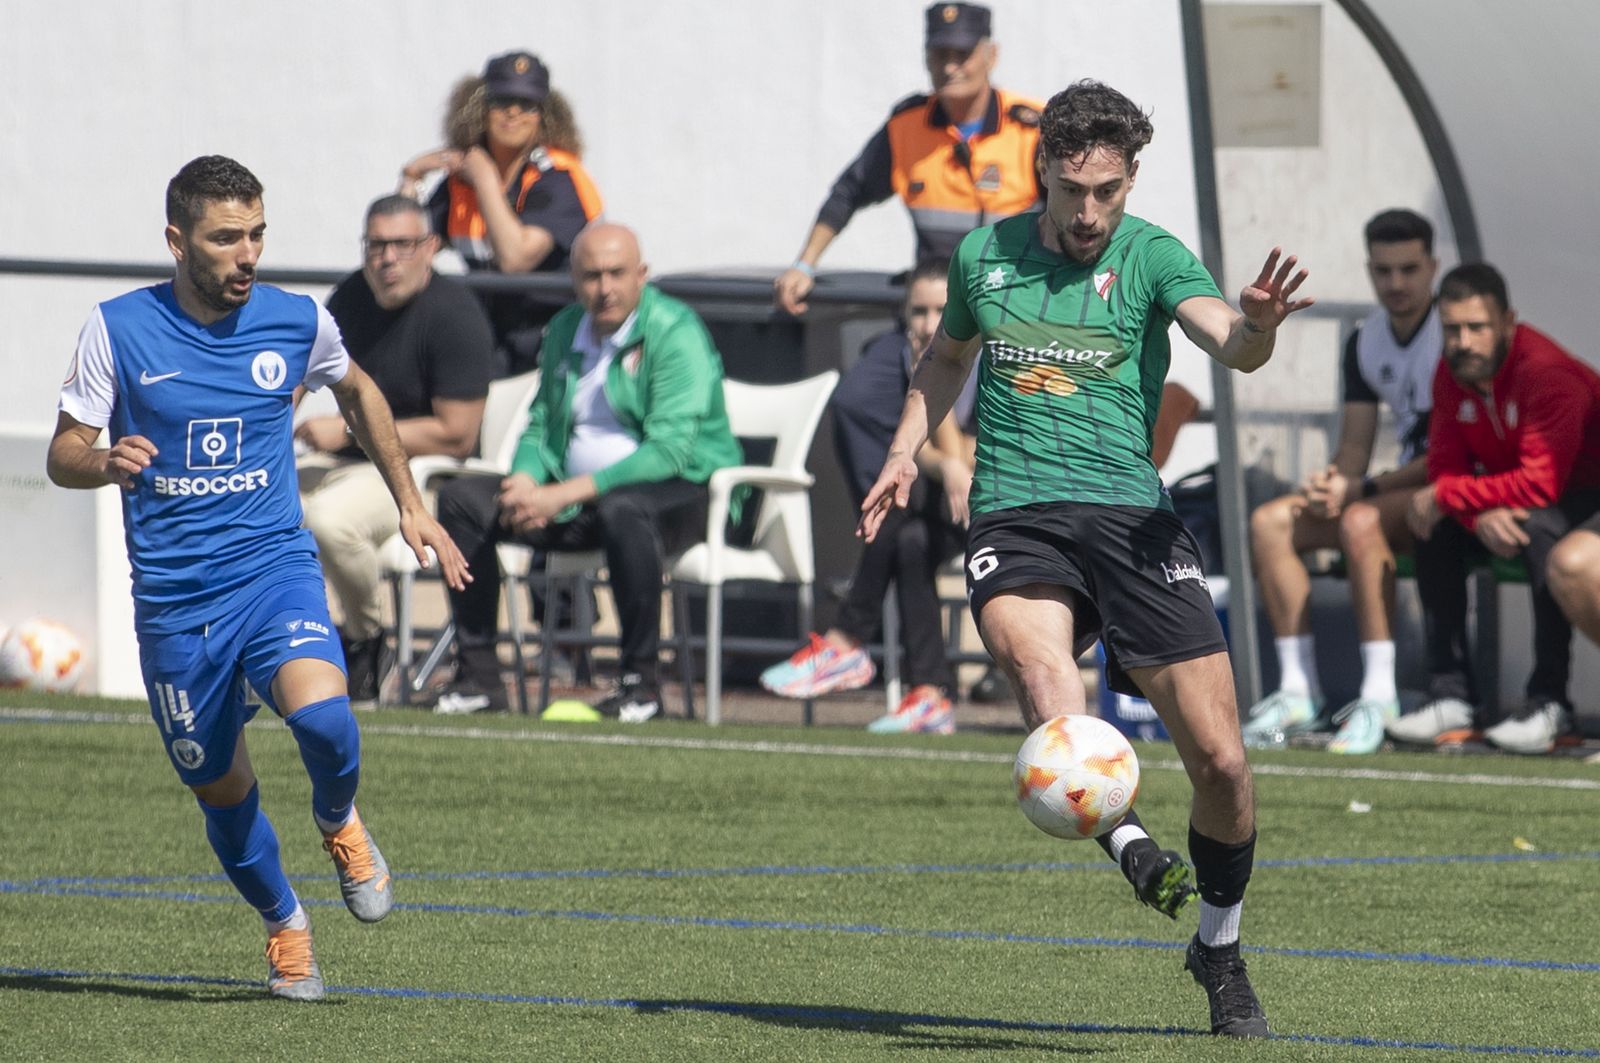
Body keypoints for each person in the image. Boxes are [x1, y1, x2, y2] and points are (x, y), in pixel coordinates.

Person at [859, 81, 1313, 1038]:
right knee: (1042, 673)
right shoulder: (985, 255)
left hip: (1132, 517)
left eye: (1108, 190)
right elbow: (947, 358)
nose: (1090, 211)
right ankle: (1132, 841)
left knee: (1225, 764)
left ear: (1129, 178)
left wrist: (1261, 322)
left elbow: (1230, 343)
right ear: (1046, 177)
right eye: (1075, 191)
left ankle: (1218, 948)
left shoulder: (1151, 253)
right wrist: (906, 448)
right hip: (1016, 511)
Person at [45, 156, 470, 1001]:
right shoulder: (116, 330)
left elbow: (360, 395)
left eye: (258, 234)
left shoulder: (295, 320)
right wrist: (103, 459)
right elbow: (61, 454)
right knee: (223, 789)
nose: (248, 254)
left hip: (271, 568)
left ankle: (338, 820)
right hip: (174, 602)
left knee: (327, 721)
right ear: (177, 240)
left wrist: (410, 502)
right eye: (227, 237)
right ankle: (286, 925)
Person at [431, 223, 742, 720]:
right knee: (462, 500)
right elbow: (538, 426)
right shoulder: (563, 330)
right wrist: (526, 481)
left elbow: (670, 452)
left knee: (625, 509)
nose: (605, 289)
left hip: (681, 494)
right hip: (574, 500)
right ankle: (480, 679)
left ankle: (640, 685)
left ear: (642, 275)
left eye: (617, 274)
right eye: (591, 276)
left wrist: (563, 494)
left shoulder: (675, 330)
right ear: (574, 279)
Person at [1241, 209, 1442, 754]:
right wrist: (1332, 481)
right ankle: (1297, 691)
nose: (1395, 284)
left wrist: (1359, 492)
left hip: (1448, 492)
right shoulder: (1365, 340)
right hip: (1393, 491)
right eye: (1383, 271)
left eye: (1408, 269)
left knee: (1358, 519)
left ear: (1433, 267)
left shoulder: (1455, 332)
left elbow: (1449, 456)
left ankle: (1380, 699)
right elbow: (1355, 444)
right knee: (1271, 522)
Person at [759, 258, 976, 732]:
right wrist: (944, 459)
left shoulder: (987, 357)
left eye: (941, 310)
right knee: (909, 538)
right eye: (918, 311)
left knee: (905, 514)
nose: (928, 323)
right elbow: (940, 457)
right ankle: (930, 695)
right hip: (931, 512)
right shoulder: (904, 357)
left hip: (991, 507)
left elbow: (971, 459)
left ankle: (846, 640)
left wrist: (949, 457)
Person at [1392, 262, 1600, 754]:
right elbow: (1445, 469)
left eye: (1477, 328)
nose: (1463, 341)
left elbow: (1541, 482)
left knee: (1535, 530)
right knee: (1431, 527)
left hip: (1585, 493)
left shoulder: (1546, 373)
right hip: (1515, 495)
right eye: (1451, 329)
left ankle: (1550, 702)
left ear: (1508, 322)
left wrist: (1450, 498)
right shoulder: (1451, 371)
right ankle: (1452, 696)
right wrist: (1471, 512)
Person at [297, 194, 496, 706]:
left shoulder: (455, 314)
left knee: (328, 520)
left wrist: (345, 432)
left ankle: (366, 641)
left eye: (402, 245)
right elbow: (301, 372)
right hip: (343, 463)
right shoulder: (350, 297)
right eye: (376, 245)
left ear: (430, 247)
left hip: (420, 476)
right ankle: (267, 651)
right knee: (248, 502)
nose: (387, 259)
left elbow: (457, 433)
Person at [773, 2, 1042, 316]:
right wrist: (803, 265)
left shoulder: (1031, 128)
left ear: (991, 56)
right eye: (940, 55)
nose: (950, 68)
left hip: (1015, 305)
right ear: (926, 57)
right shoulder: (907, 125)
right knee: (867, 367)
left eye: (962, 55)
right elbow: (848, 192)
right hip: (935, 311)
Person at [400, 50, 604, 374]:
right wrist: (411, 178)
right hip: (484, 339)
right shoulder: (458, 184)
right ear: (479, 109)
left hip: (553, 344)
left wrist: (484, 180)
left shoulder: (559, 178)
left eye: (527, 105)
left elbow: (515, 259)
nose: (513, 113)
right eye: (500, 102)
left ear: (544, 116)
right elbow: (401, 252)